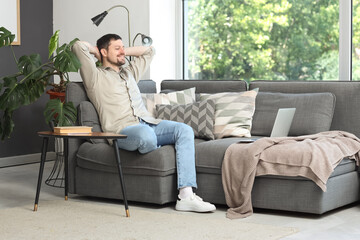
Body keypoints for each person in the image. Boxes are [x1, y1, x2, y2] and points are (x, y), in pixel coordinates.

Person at [72, 34, 216, 213]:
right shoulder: (95, 76)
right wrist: (97, 52)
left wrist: (120, 52)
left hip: (148, 122)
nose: (122, 52)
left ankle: (186, 196)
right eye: (117, 48)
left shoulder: (129, 72)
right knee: (145, 135)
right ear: (103, 52)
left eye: (123, 48)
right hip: (123, 130)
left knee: (184, 130)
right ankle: (156, 146)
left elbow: (150, 50)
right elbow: (78, 46)